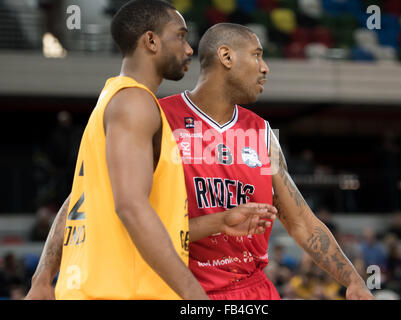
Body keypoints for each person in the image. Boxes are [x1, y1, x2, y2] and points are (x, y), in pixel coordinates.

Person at [25, 1, 275, 300]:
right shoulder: (135, 103)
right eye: (180, 36)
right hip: (124, 292)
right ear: (151, 41)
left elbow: (79, 198)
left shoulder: (114, 99)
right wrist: (195, 296)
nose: (189, 49)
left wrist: (41, 278)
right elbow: (131, 207)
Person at [158, 23, 373, 300]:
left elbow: (301, 223)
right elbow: (138, 220)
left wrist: (353, 280)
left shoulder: (262, 133)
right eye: (257, 55)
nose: (265, 68)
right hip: (180, 289)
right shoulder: (160, 118)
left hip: (253, 290)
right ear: (226, 57)